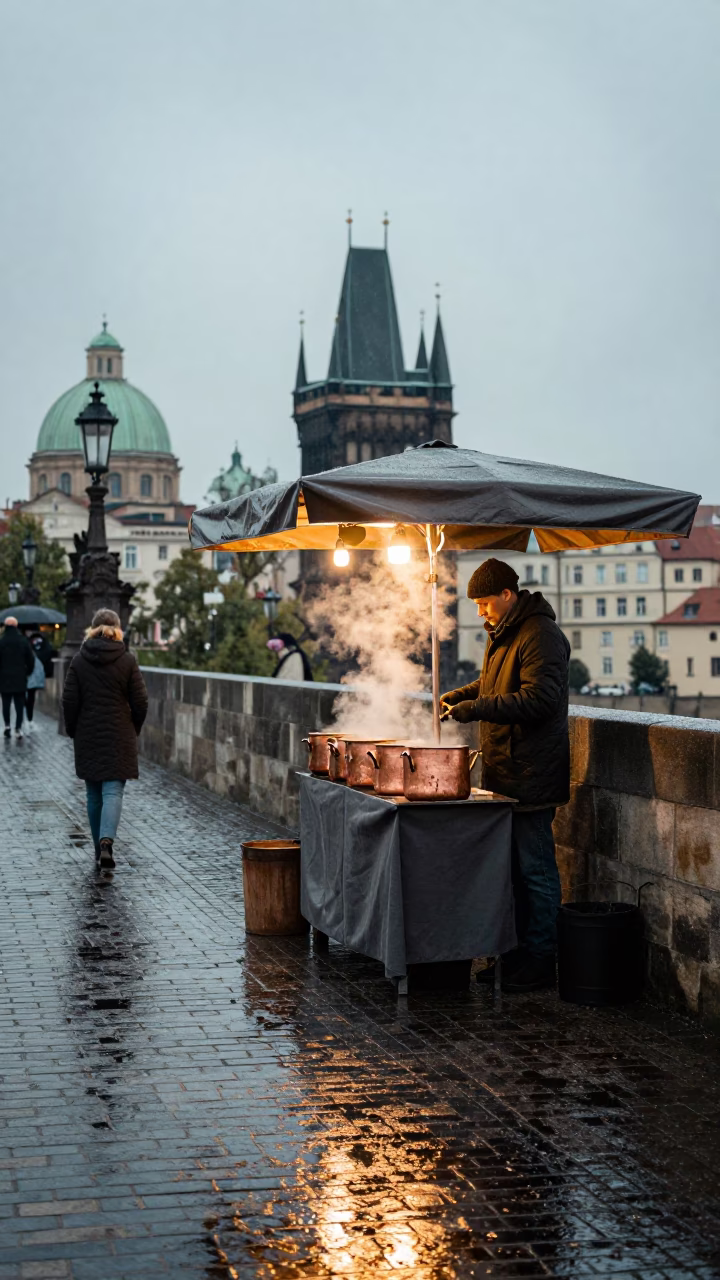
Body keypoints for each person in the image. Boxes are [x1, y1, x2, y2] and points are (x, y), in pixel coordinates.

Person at [441, 558, 570, 993]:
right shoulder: (504, 634)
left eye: (484, 603)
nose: (481, 612)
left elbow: (539, 700)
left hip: (532, 774)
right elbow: (491, 684)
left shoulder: (541, 635)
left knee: (535, 871)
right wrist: (460, 695)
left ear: (507, 596)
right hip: (506, 772)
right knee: (512, 872)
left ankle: (541, 959)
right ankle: (515, 955)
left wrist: (475, 709)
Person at [62, 608, 148, 869]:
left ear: (93, 628)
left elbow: (69, 700)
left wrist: (73, 729)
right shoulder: (127, 660)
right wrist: (133, 727)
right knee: (113, 791)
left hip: (88, 733)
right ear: (118, 628)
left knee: (93, 793)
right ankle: (106, 841)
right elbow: (141, 701)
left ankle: (97, 848)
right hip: (119, 733)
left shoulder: (79, 660)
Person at [0, 617, 35, 739]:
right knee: (19, 704)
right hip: (20, 677)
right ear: (16, 626)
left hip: (4, 678)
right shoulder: (23, 641)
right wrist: (27, 672)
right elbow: (31, 660)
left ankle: (7, 726)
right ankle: (18, 728)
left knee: (6, 703)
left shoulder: (2, 641)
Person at [24, 632, 48, 732]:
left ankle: (27, 718)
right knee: (31, 697)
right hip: (36, 674)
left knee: (26, 697)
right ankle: (29, 719)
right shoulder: (44, 644)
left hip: (28, 674)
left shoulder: (28, 643)